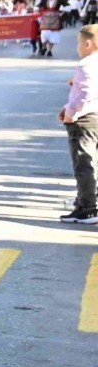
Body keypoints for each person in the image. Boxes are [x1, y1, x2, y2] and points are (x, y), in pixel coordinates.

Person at [62, 24, 98, 225]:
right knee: (95, 163)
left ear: (87, 43)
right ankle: (87, 201)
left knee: (83, 164)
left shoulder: (85, 65)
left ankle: (88, 209)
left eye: (78, 42)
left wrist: (70, 113)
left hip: (84, 120)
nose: (77, 46)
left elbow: (82, 95)